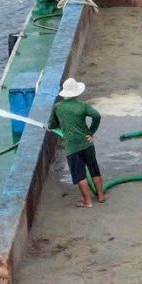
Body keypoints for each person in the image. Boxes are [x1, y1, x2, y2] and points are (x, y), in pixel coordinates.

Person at [48, 77, 106, 208]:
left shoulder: (58, 107)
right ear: (77, 93)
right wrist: (91, 132)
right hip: (87, 142)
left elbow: (52, 125)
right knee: (94, 169)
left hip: (72, 146)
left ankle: (87, 201)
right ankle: (101, 195)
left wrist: (51, 127)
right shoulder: (82, 106)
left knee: (79, 174)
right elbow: (97, 116)